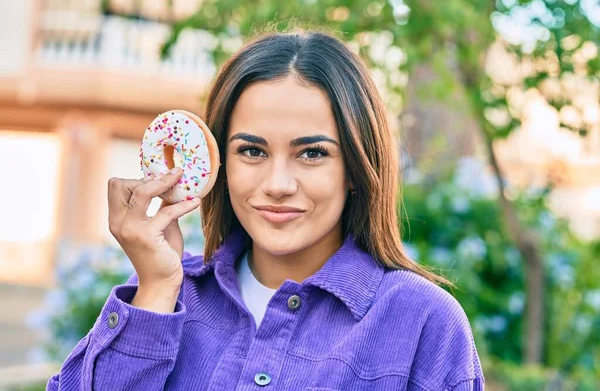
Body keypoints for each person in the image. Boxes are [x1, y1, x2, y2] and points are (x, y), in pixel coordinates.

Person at [47, 31, 484, 390]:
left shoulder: (424, 321)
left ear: (355, 166)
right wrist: (158, 288)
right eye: (252, 151)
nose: (277, 185)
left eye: (312, 153)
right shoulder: (162, 294)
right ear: (219, 162)